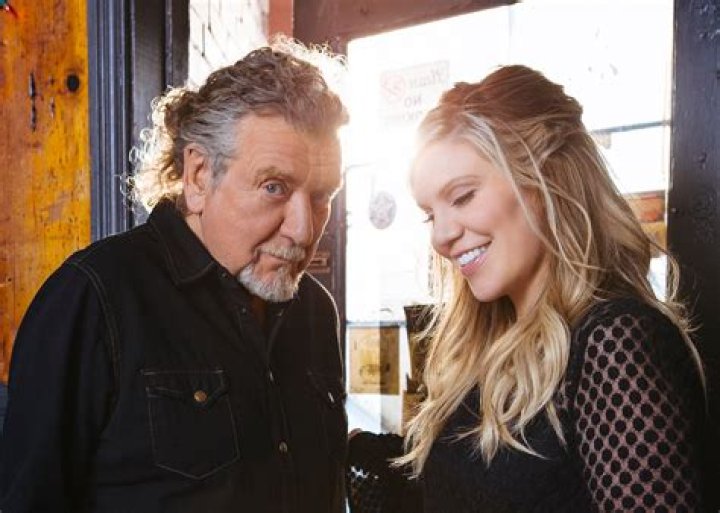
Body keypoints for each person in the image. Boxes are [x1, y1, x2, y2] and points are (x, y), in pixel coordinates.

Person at [1, 38, 349, 513]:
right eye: (274, 187)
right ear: (199, 176)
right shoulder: (93, 298)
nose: (305, 229)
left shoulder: (315, 311)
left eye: (322, 196)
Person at [348, 65, 708, 513]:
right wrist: (348, 445)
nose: (441, 235)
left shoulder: (614, 340)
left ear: (546, 178)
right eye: (430, 214)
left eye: (462, 197)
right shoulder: (493, 347)